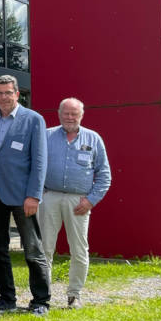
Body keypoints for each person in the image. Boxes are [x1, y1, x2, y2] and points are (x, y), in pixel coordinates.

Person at [0, 75, 51, 316]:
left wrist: (34, 195)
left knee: (33, 249)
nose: (3, 97)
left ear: (17, 94)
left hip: (23, 196)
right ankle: (6, 299)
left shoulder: (33, 120)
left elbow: (40, 161)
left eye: (8, 93)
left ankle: (41, 300)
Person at [38, 98, 111, 308]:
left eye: (74, 114)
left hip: (79, 201)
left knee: (79, 250)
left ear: (82, 115)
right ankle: (43, 296)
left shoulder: (93, 138)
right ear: (59, 114)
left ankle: (74, 295)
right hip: (49, 197)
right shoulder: (46, 136)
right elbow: (35, 166)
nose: (70, 118)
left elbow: (104, 174)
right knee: (44, 249)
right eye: (66, 114)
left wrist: (91, 200)